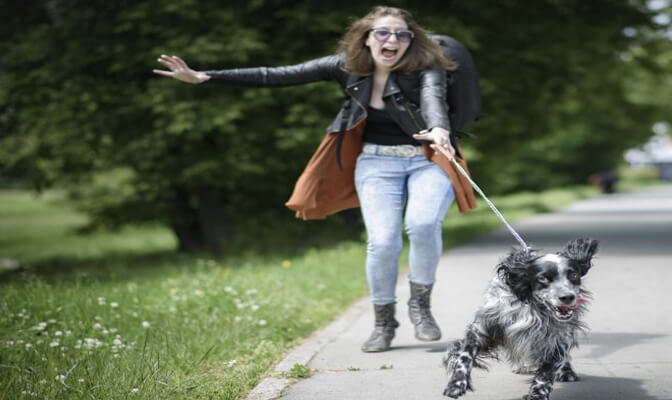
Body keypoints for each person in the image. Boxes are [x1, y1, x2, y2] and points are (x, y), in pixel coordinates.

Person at [153, 6, 476, 353]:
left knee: (423, 224)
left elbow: (433, 99)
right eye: (383, 32)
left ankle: (420, 306)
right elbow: (275, 74)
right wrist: (206, 77)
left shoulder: (427, 67)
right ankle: (384, 322)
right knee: (382, 242)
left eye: (401, 34)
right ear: (367, 39)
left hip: (426, 159)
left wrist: (440, 128)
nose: (392, 40)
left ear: (411, 41)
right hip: (376, 164)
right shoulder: (345, 66)